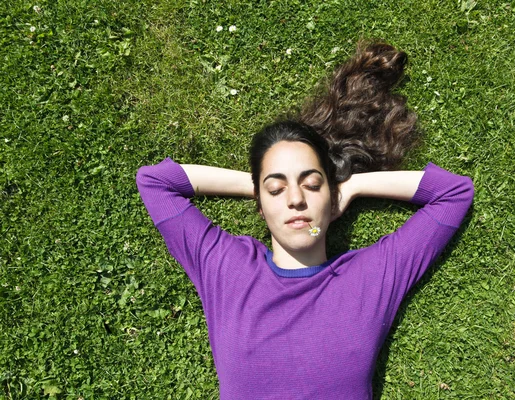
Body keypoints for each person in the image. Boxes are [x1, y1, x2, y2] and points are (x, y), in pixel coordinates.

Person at [136, 41, 474, 399]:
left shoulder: (370, 277)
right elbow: (155, 183)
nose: (296, 199)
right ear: (260, 205)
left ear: (332, 200)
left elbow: (453, 194)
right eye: (277, 190)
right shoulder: (226, 268)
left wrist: (353, 186)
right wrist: (259, 188)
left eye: (312, 185)